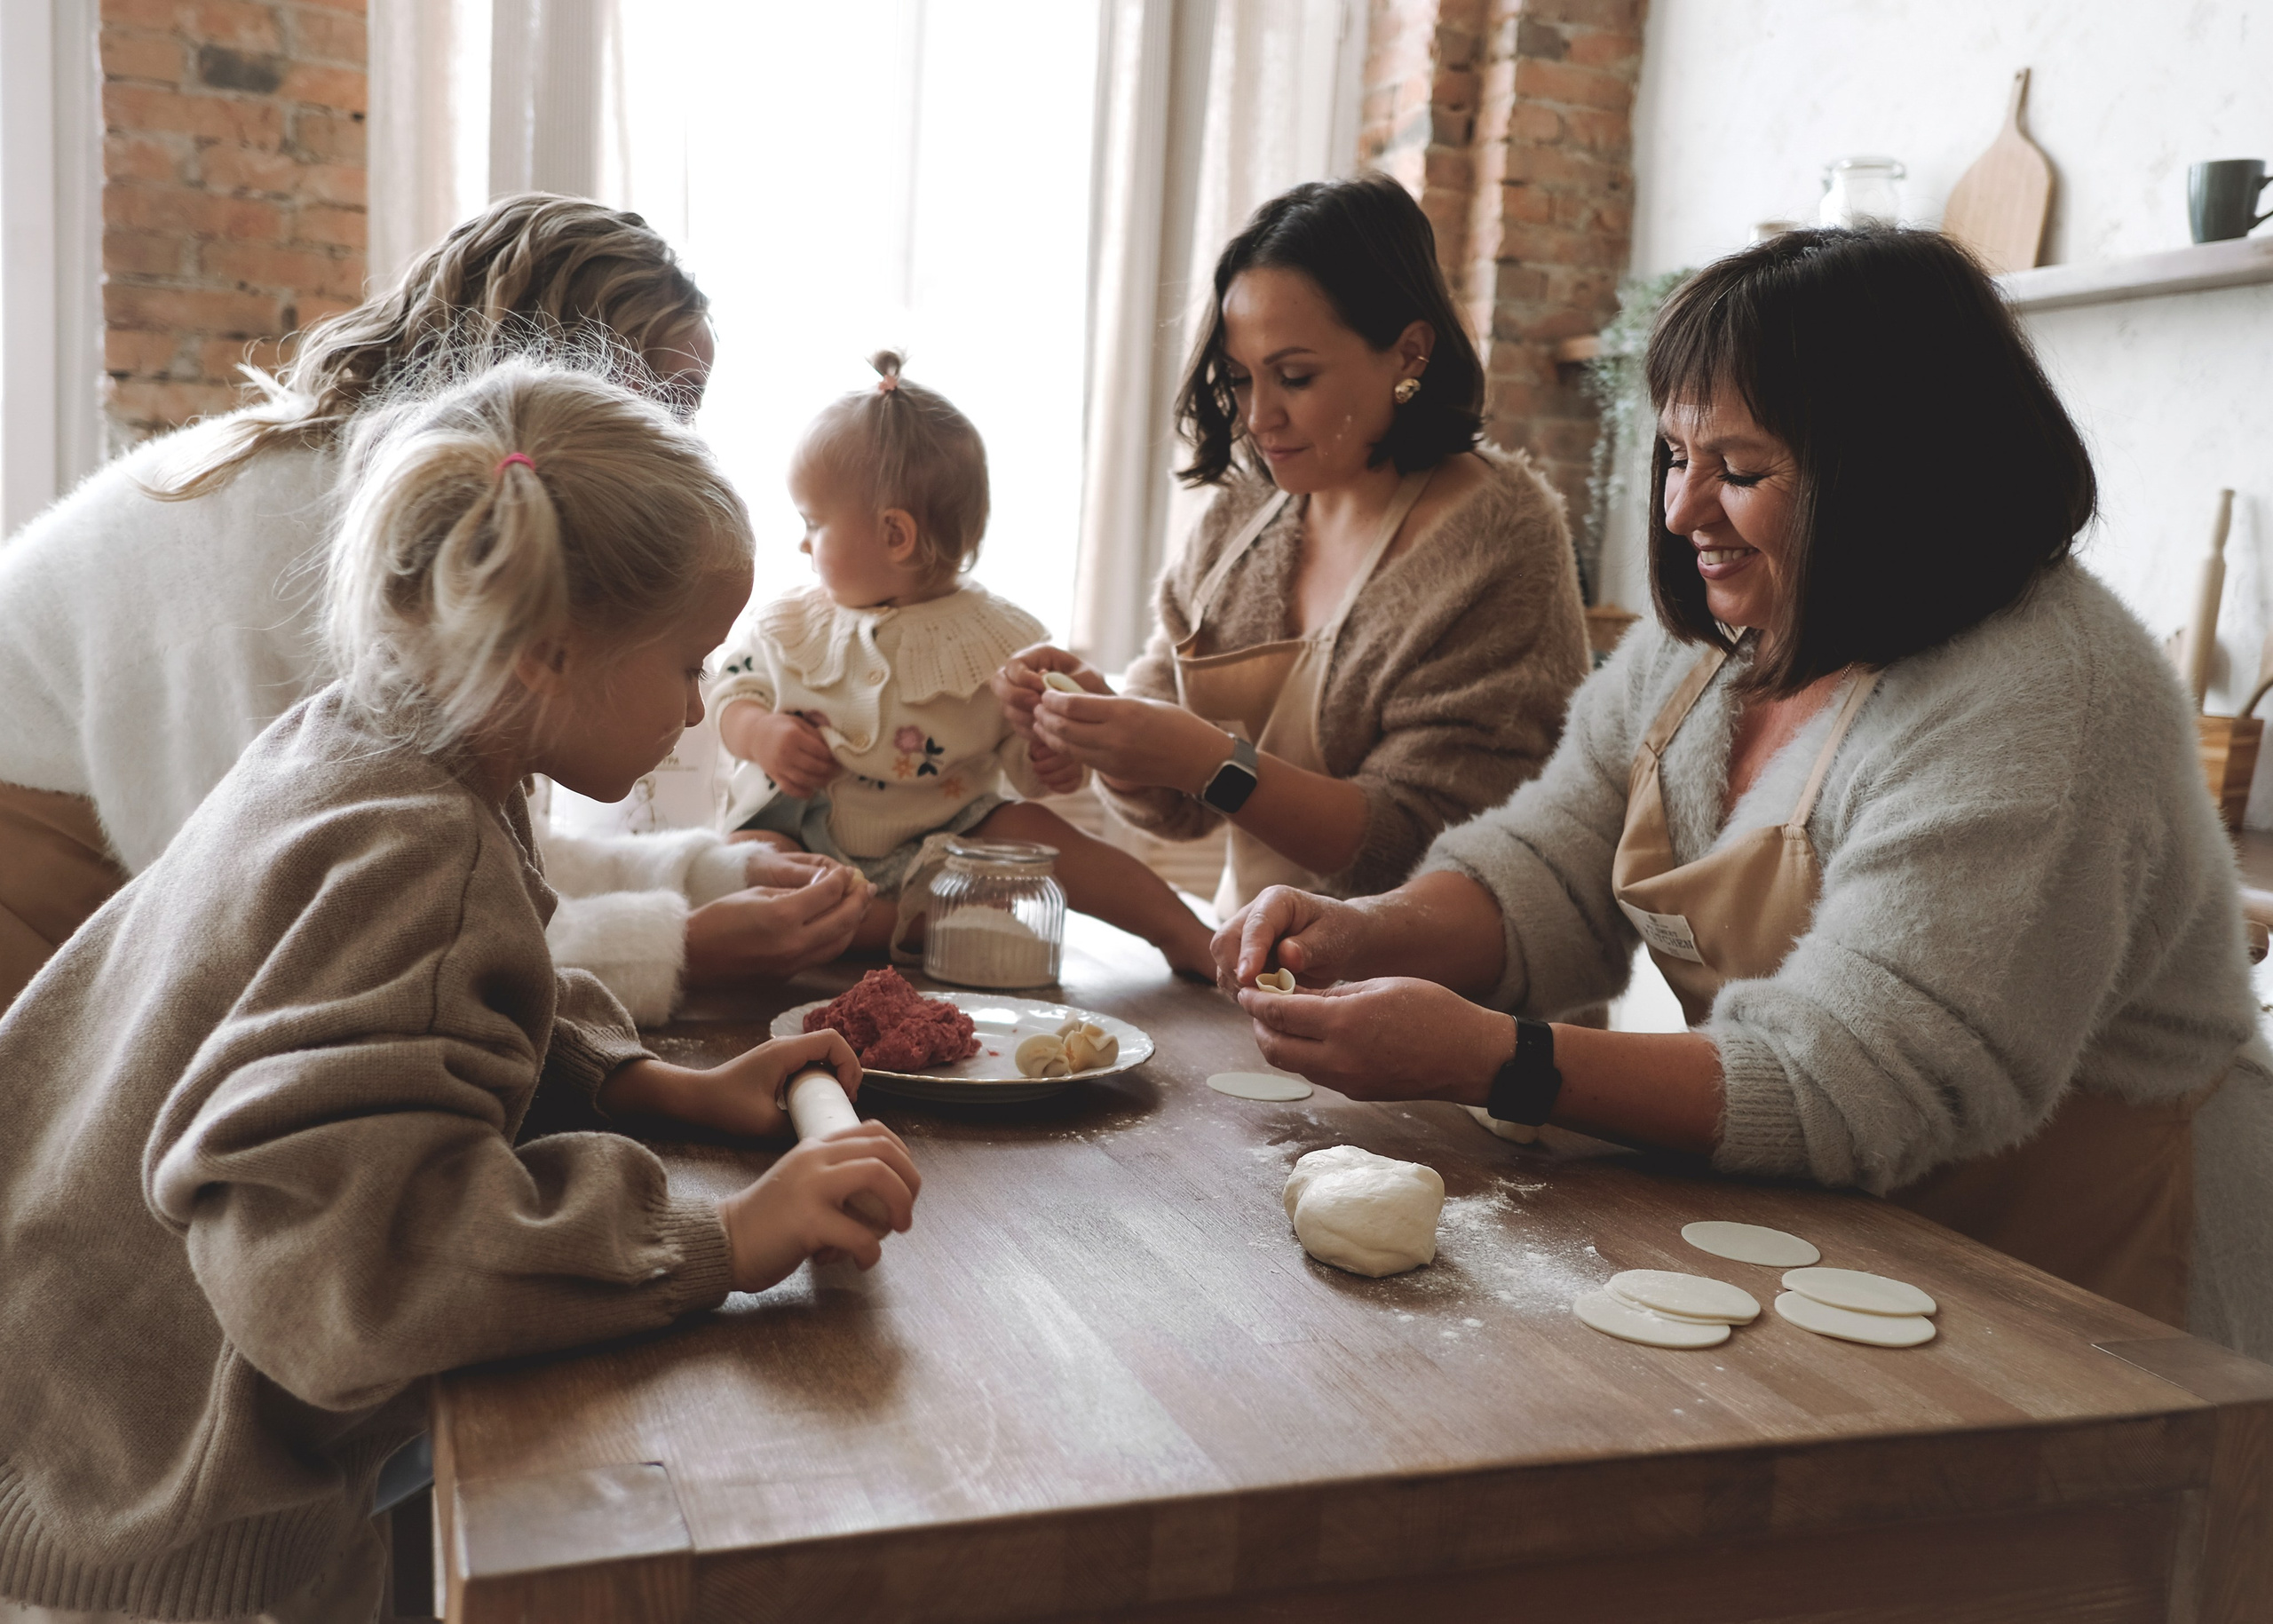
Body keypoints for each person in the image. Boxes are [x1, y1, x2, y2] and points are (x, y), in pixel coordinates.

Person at [1218, 226, 2273, 1357]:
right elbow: (1550, 867)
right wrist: (1371, 929)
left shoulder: (2040, 697)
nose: (1682, 510)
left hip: (2084, 1265)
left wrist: (1494, 1057)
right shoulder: (1718, 643)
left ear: (1894, 471)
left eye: (1740, 470)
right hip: (1843, 1223)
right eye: (1676, 456)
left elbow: (1856, 1075)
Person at [0, 358, 923, 1622]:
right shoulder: (421, 850)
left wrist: (652, 1083)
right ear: (550, 655)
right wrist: (726, 1237)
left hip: (48, 1375)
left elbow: (444, 999)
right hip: (146, 1517)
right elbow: (350, 1275)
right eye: (688, 663)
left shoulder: (366, 738)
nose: (698, 705)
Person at [0, 193, 870, 1018]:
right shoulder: (296, 542)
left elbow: (451, 837)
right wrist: (678, 946)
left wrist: (704, 874)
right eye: (661, 406)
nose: (673, 446)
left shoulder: (408, 525)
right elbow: (286, 934)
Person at [994, 174, 1589, 918]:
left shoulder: (1500, 544)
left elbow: (1428, 840)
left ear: (1409, 354)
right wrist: (1103, 727)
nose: (1258, 417)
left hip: (1433, 981)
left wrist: (1208, 760)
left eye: (1295, 377)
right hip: (1260, 957)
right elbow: (1177, 804)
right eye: (1240, 379)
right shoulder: (1246, 514)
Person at [714, 353, 1216, 976]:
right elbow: (731, 692)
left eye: (814, 524)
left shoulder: (1000, 640)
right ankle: (921, 926)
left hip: (948, 846)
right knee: (742, 861)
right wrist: (760, 734)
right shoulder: (793, 621)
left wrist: (1051, 755)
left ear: (895, 535)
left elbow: (1024, 759)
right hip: (805, 837)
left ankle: (1180, 929)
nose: (803, 543)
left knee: (1036, 830)